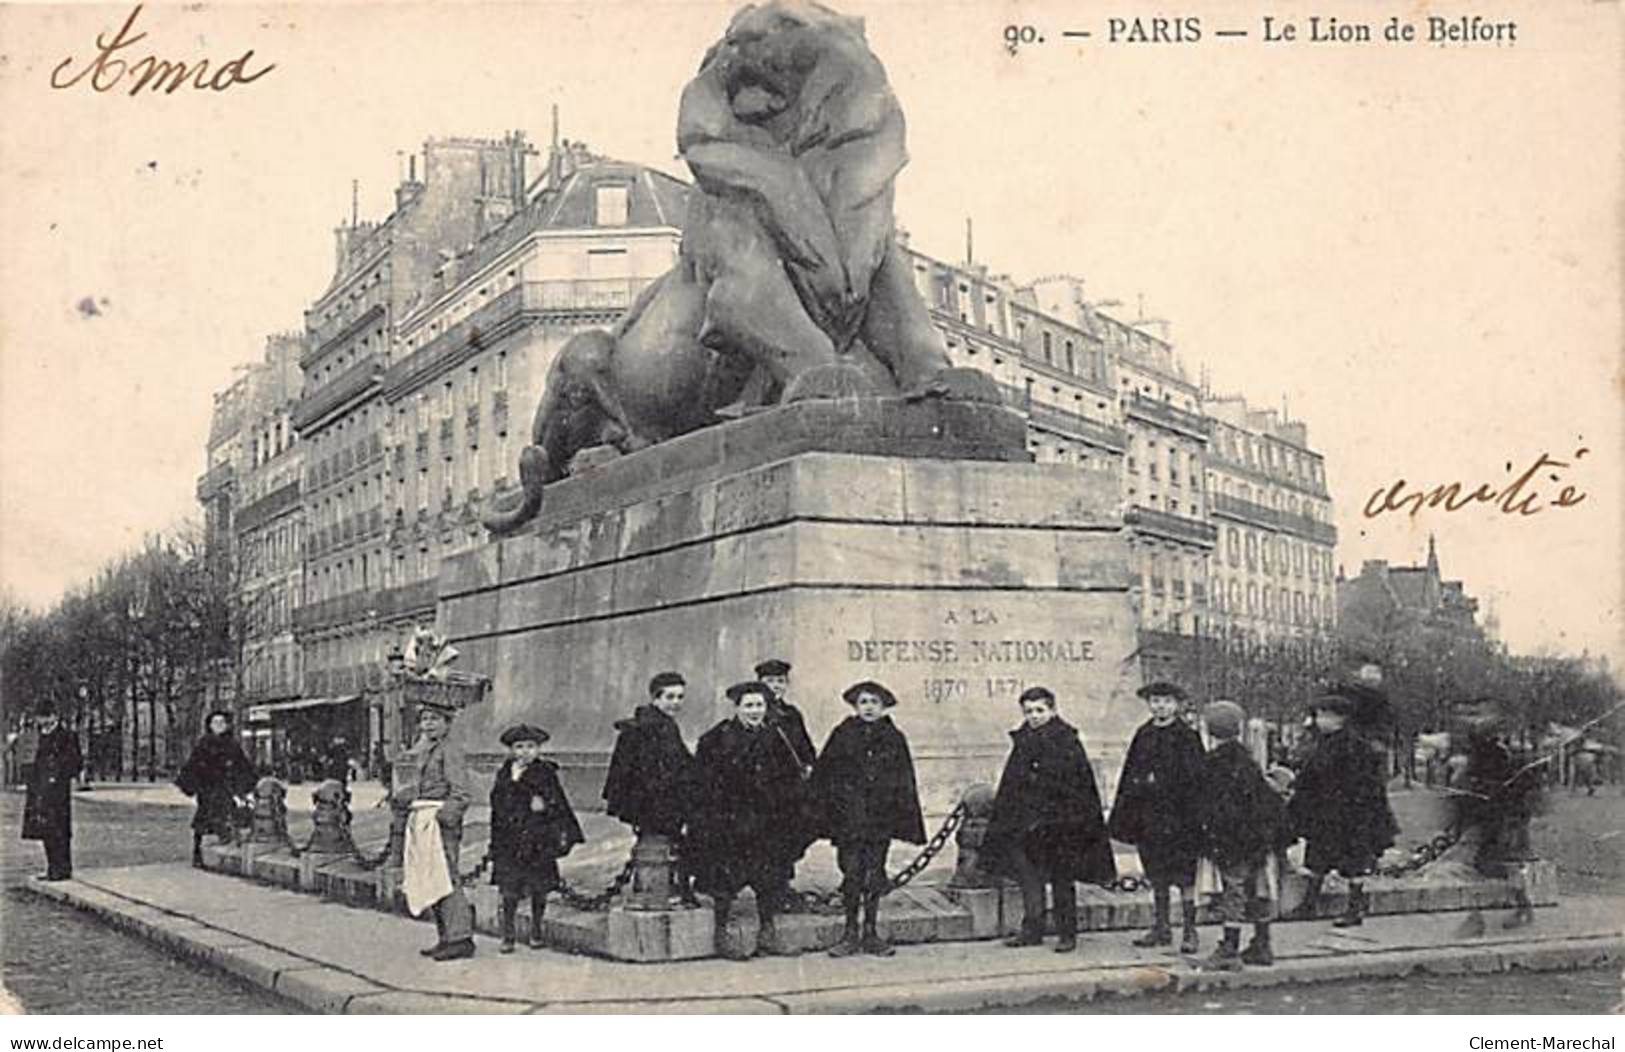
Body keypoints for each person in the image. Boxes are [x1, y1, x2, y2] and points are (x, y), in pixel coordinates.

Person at [982, 686, 1117, 952]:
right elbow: (1012, 784)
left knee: (1061, 879)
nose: (1034, 716)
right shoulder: (1023, 741)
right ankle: (1032, 929)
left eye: (1040, 710)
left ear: (1053, 710)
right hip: (1027, 824)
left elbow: (1077, 786)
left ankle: (1067, 933)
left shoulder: (1066, 741)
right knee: (1029, 878)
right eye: (1029, 711)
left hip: (1059, 825)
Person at [688, 681, 807, 959]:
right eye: (749, 705)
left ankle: (768, 932)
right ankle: (722, 935)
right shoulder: (717, 738)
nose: (755, 711)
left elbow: (791, 777)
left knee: (769, 879)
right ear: (737, 708)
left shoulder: (778, 736)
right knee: (726, 881)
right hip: (731, 823)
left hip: (768, 822)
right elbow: (704, 784)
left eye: (760, 706)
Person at [812, 680, 925, 958]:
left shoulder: (894, 737)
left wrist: (901, 818)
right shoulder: (842, 734)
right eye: (863, 702)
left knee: (874, 874)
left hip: (879, 821)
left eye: (874, 702)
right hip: (848, 820)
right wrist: (828, 812)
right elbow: (824, 775)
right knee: (851, 874)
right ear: (855, 706)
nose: (869, 708)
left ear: (884, 706)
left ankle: (871, 933)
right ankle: (850, 933)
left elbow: (904, 780)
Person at [1286, 686, 1399, 926]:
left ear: (1339, 718)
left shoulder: (1352, 745)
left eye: (1323, 715)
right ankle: (1310, 904)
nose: (1318, 720)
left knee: (1353, 863)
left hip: (1349, 815)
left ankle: (1354, 909)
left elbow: (1361, 783)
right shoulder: (1328, 742)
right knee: (1318, 859)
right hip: (1329, 813)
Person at [1108, 680, 1206, 954]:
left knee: (1185, 877)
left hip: (1180, 820)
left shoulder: (1187, 736)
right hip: (1149, 819)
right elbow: (1130, 775)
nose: (1160, 706)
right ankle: (1161, 927)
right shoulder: (1143, 734)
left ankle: (1190, 930)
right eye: (1155, 701)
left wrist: (1164, 784)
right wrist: (1127, 813)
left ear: (1176, 705)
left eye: (1166, 701)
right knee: (1157, 874)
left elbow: (1197, 778)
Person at [1196, 701, 1291, 970]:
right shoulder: (1248, 760)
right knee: (1258, 888)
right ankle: (1262, 944)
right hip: (1258, 839)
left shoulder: (1214, 763)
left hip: (1231, 839)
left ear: (1209, 730)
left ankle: (1229, 949)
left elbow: (1212, 805)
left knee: (1233, 891)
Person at [390, 701, 476, 961]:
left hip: (439, 823)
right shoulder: (428, 749)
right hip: (425, 819)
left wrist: (442, 818)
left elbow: (461, 793)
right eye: (425, 719)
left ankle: (461, 938)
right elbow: (424, 786)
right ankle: (446, 937)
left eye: (435, 719)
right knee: (432, 877)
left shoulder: (450, 750)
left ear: (448, 723)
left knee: (446, 877)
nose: (428, 724)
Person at [602, 671, 698, 903]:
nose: (676, 703)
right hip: (653, 804)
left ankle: (675, 886)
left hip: (663, 800)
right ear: (656, 699)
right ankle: (674, 889)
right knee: (676, 842)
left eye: (680, 697)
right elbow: (640, 773)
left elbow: (682, 763)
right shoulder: (646, 728)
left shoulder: (664, 725)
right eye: (670, 697)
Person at [489, 723, 584, 953]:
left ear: (538, 749)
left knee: (538, 888)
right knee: (509, 890)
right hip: (509, 841)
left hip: (536, 840)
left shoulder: (545, 772)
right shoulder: (504, 772)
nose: (525, 752)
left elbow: (559, 803)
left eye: (530, 747)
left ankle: (536, 931)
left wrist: (545, 806)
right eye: (519, 747)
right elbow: (496, 804)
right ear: (511, 750)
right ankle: (508, 935)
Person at [754, 658, 818, 910]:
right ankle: (773, 890)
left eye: (780, 681)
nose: (775, 686)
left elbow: (805, 747)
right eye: (769, 681)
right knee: (768, 839)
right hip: (764, 789)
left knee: (795, 833)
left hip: (790, 790)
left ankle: (782, 885)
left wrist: (809, 766)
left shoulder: (792, 714)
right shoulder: (753, 710)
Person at [176, 710, 256, 867]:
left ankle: (225, 854)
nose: (218, 726)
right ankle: (198, 853)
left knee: (227, 818)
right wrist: (193, 785)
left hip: (225, 788)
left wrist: (245, 784)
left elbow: (243, 766)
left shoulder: (232, 745)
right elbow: (193, 766)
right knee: (203, 820)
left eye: (222, 723)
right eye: (215, 723)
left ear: (226, 725)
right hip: (207, 789)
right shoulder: (203, 744)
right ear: (210, 726)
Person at [21, 705, 82, 881]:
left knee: (60, 830)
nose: (40, 722)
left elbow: (75, 762)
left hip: (58, 792)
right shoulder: (40, 736)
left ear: (53, 716)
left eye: (43, 717)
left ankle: (62, 869)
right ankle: (52, 868)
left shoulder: (67, 736)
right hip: (40, 790)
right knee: (45, 830)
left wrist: (58, 777)